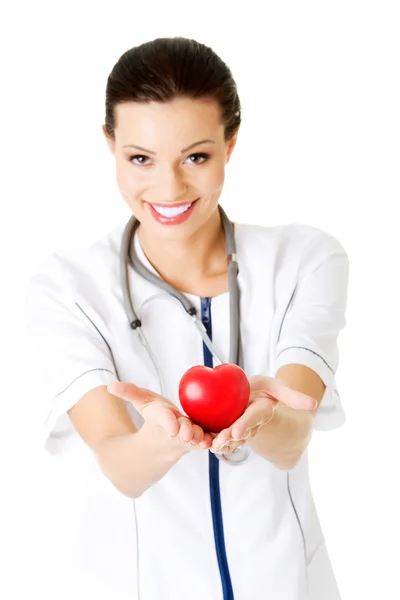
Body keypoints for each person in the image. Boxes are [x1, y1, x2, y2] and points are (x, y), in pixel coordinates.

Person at [24, 37, 350, 600]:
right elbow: (121, 466)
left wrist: (262, 414)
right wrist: (168, 438)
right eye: (140, 159)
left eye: (195, 156)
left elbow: (292, 439)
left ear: (231, 143)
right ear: (111, 146)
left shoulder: (305, 261)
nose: (169, 188)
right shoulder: (68, 287)